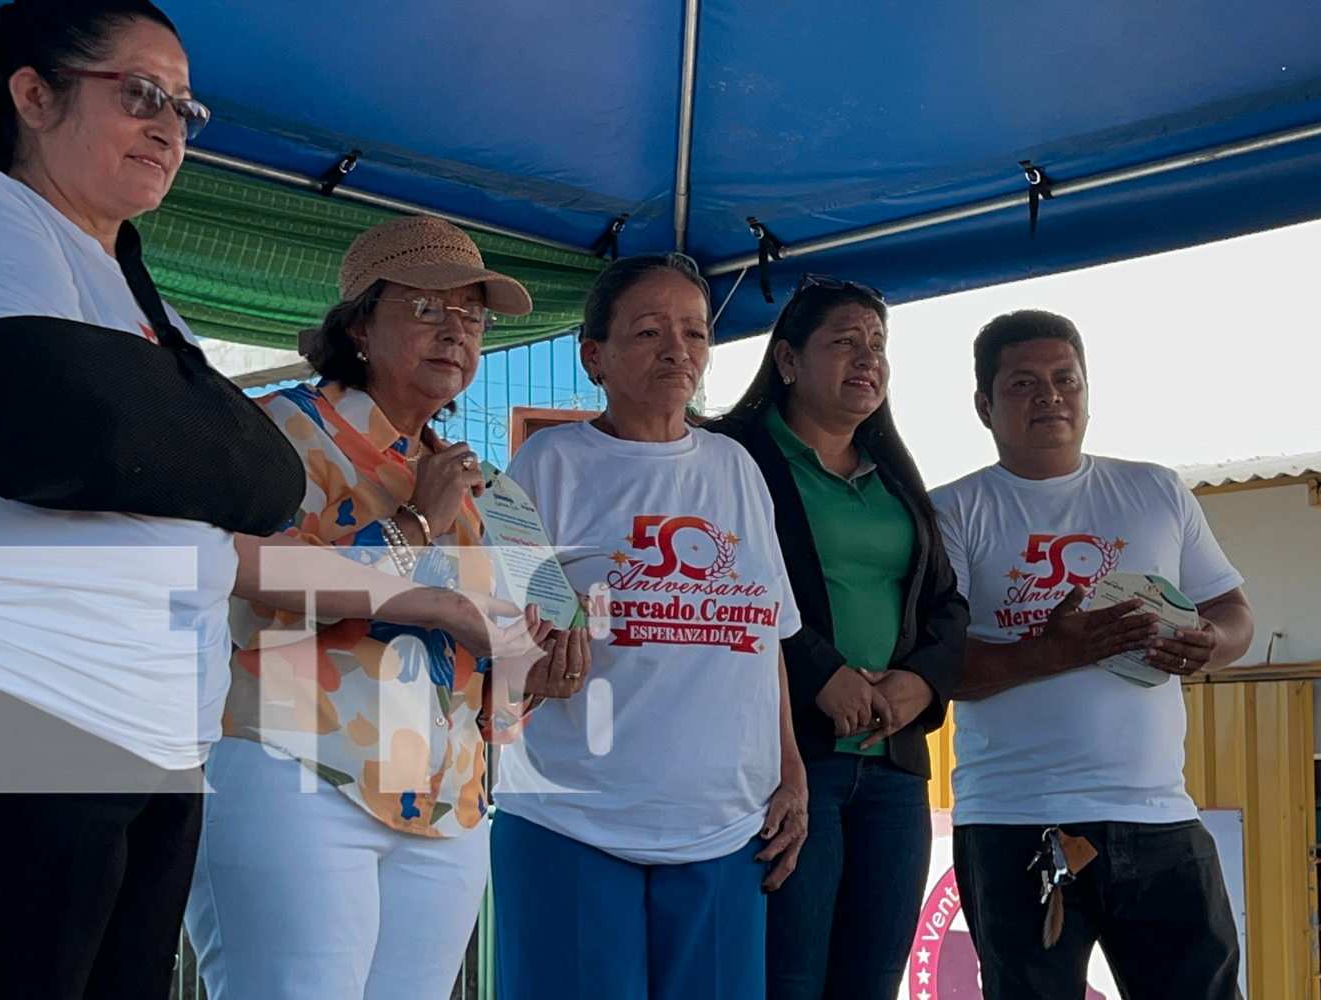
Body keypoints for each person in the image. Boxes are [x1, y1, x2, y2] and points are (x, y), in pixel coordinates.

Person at [0, 6, 525, 998]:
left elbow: (217, 522)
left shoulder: (149, 309)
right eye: (139, 94)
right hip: (29, 700)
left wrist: (493, 630)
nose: (171, 125)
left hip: (196, 735)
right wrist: (407, 534)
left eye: (184, 105)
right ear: (34, 93)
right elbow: (80, 442)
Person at [183, 215, 591, 1000]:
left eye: (472, 316)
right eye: (428, 306)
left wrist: (547, 669)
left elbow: (514, 665)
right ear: (360, 322)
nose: (457, 330)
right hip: (299, 770)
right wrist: (416, 526)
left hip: (449, 805)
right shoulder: (281, 428)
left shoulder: (492, 489)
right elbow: (241, 571)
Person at [491, 253, 809, 1000]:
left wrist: (789, 767)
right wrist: (536, 672)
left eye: (695, 331)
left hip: (727, 828)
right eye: (649, 331)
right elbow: (511, 638)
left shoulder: (736, 468)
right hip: (573, 820)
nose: (679, 349)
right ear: (593, 356)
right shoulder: (549, 464)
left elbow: (764, 637)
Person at [929, 309, 1254, 1000]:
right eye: (1023, 384)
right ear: (984, 405)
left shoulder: (1155, 490)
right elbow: (942, 669)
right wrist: (1056, 650)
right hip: (1017, 821)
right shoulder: (949, 511)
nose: (1050, 396)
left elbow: (1233, 614)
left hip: (1163, 816)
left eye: (1064, 378)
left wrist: (1209, 644)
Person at [708, 275, 967, 1000]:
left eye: (878, 345)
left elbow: (946, 603)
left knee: (872, 981)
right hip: (787, 760)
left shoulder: (892, 474)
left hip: (892, 769)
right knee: (786, 976)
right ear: (787, 361)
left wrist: (919, 683)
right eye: (845, 341)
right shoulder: (734, 456)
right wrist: (820, 669)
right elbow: (729, 585)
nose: (868, 358)